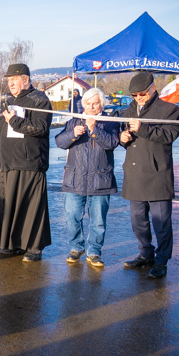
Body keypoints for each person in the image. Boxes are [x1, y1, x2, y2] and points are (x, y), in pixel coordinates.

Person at [0, 63, 52, 260]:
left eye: (14, 80)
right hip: (8, 163)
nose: (10, 83)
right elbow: (8, 131)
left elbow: (40, 127)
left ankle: (34, 247)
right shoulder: (10, 101)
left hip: (30, 162)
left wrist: (14, 121)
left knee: (31, 207)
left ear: (26, 80)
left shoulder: (40, 100)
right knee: (11, 206)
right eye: (9, 80)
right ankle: (13, 243)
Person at [119, 72, 179, 280]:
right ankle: (145, 253)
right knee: (138, 220)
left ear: (153, 89)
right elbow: (122, 136)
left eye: (142, 94)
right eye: (135, 95)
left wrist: (142, 128)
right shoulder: (127, 111)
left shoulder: (169, 110)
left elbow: (169, 136)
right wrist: (123, 138)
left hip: (157, 173)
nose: (138, 98)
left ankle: (162, 260)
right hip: (135, 173)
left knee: (161, 222)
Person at [55, 87, 119, 268]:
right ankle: (76, 247)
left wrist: (94, 129)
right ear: (83, 105)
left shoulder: (110, 122)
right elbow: (60, 142)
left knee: (98, 220)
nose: (91, 107)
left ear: (101, 104)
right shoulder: (73, 121)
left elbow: (112, 143)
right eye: (88, 103)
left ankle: (94, 251)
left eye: (95, 103)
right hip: (74, 179)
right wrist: (72, 134)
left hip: (100, 180)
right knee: (72, 217)